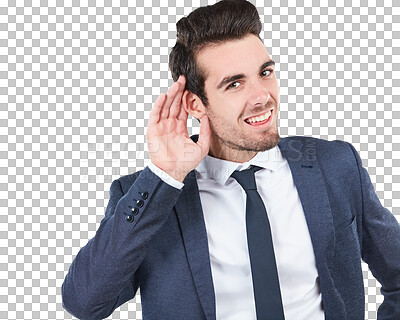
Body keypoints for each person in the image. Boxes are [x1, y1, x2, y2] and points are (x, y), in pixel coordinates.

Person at [62, 0, 400, 319]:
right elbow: (86, 303)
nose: (262, 97)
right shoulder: (149, 196)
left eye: (265, 72)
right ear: (196, 105)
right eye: (235, 83)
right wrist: (164, 176)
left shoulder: (336, 166)